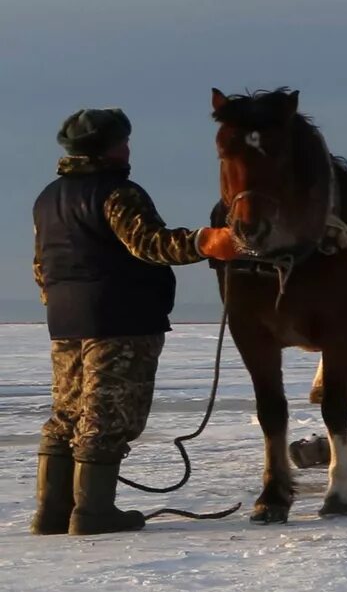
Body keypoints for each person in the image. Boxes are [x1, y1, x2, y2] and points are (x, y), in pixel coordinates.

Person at [30, 108, 241, 534]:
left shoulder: (48, 198)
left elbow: (42, 267)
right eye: (122, 141)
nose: (128, 148)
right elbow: (148, 244)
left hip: (66, 322)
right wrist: (207, 241)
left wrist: (62, 304)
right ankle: (92, 512)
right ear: (106, 148)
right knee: (108, 416)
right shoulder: (117, 193)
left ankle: (52, 512)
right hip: (120, 321)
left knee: (67, 413)